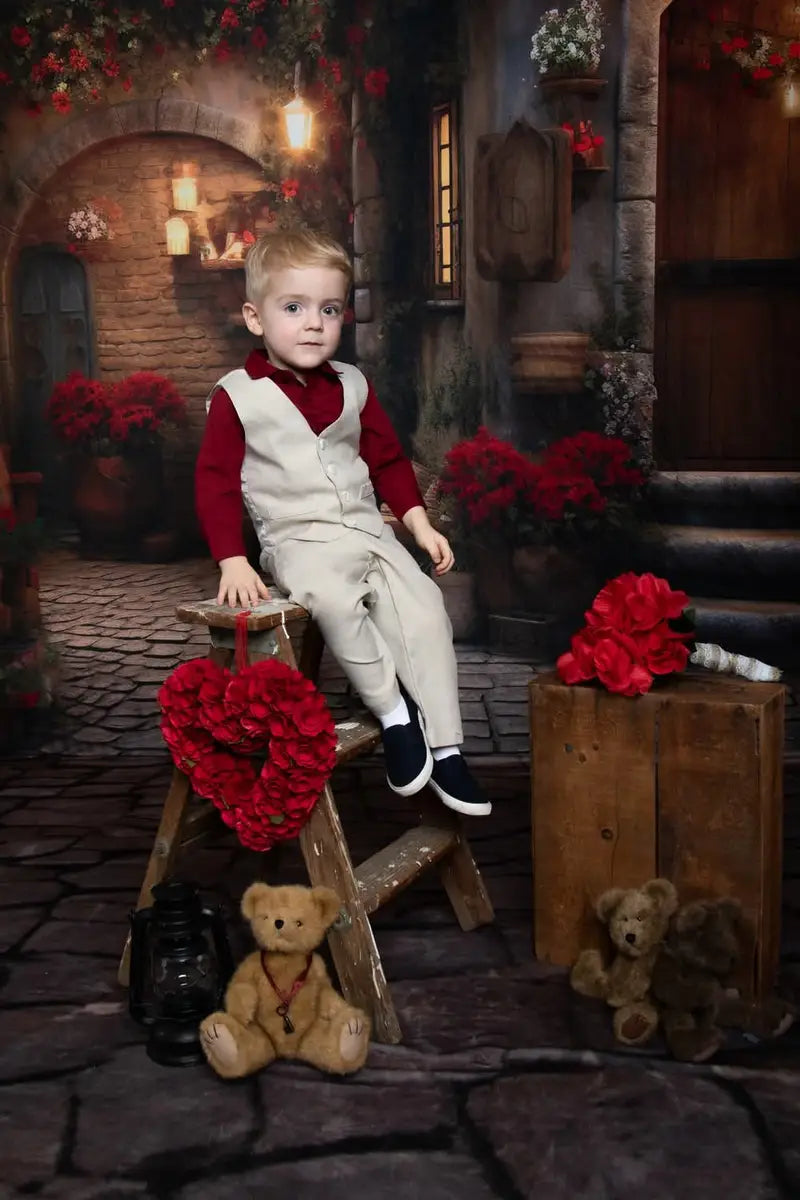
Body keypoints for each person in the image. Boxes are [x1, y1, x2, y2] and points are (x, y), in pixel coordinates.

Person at [195, 229, 490, 817]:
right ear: (255, 317)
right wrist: (232, 557)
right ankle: (395, 715)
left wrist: (418, 523)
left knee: (427, 610)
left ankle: (447, 746)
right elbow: (216, 482)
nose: (313, 324)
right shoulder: (237, 397)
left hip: (368, 530)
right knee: (334, 602)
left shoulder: (353, 384)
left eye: (328, 310)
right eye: (294, 308)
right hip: (298, 539)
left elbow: (385, 459)